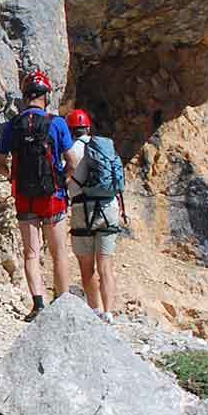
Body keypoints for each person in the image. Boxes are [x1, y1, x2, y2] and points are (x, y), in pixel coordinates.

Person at [0, 70, 78, 320]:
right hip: (53, 197)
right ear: (45, 96)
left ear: (25, 96)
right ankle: (62, 303)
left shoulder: (11, 126)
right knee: (58, 253)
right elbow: (72, 162)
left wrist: (11, 176)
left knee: (31, 253)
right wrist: (63, 179)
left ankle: (38, 304)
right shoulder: (57, 123)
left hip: (24, 197)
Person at [64, 109, 124, 321]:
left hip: (83, 210)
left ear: (70, 130)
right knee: (106, 265)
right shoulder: (105, 147)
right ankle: (108, 312)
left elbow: (65, 178)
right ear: (88, 127)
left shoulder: (70, 150)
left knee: (87, 267)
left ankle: (94, 311)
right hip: (109, 207)